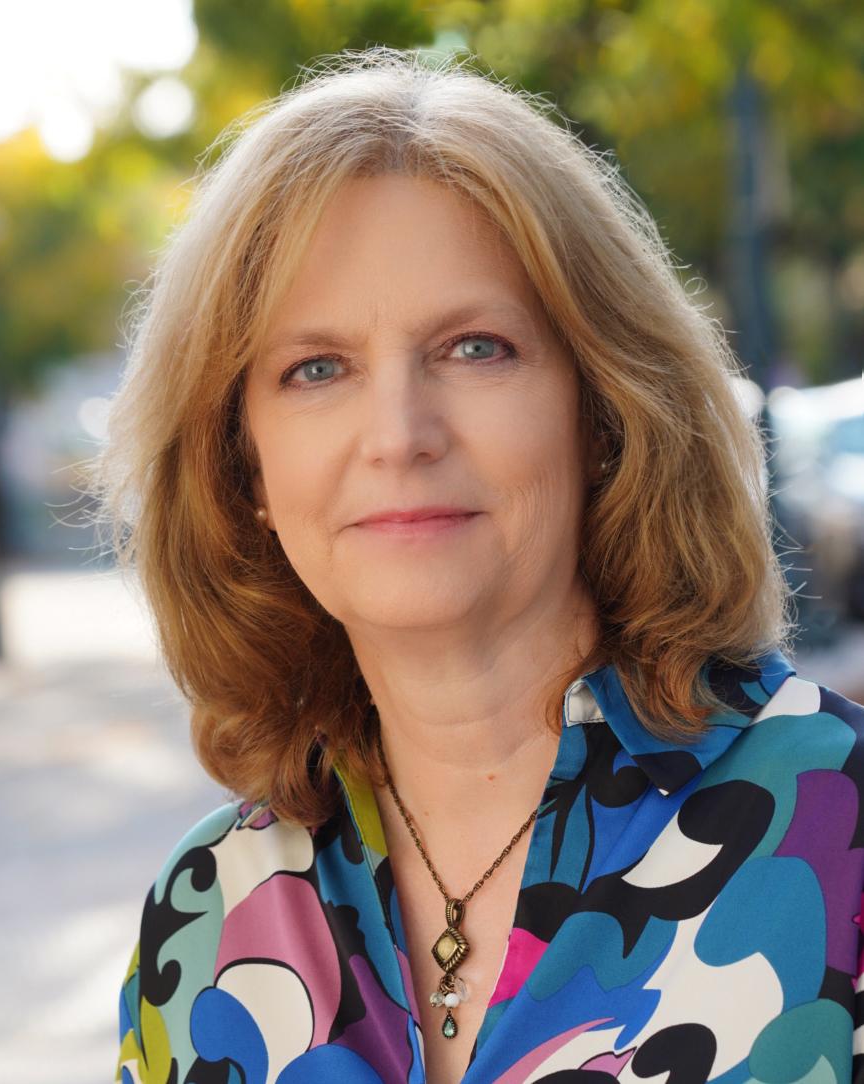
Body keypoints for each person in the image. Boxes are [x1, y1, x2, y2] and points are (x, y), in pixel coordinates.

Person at [98, 45, 864, 1084]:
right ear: (248, 469)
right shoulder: (201, 918)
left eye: (473, 347)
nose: (399, 434)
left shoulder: (843, 819)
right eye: (315, 368)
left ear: (603, 410)